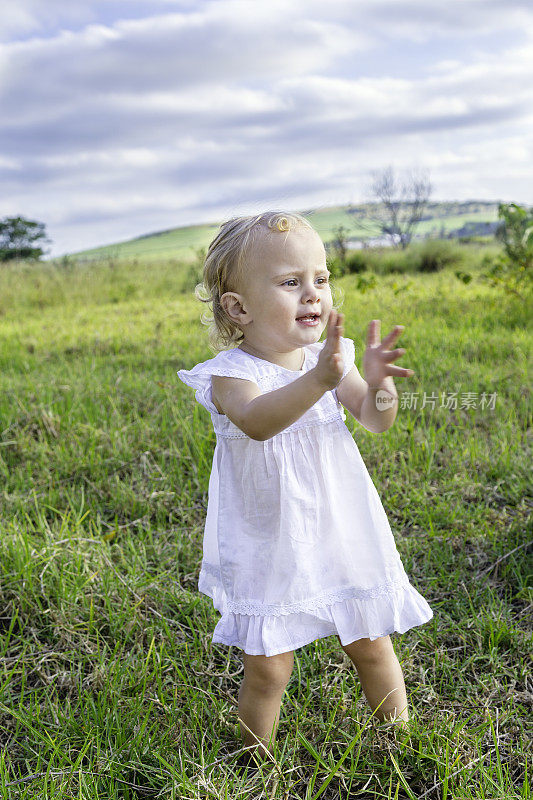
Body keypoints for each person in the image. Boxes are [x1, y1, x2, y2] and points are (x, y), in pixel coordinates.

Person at [177, 210, 433, 762]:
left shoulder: (326, 361)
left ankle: (399, 741)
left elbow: (374, 418)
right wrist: (319, 379)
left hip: (338, 526)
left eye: (320, 277)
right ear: (238, 308)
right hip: (270, 538)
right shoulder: (230, 374)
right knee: (270, 665)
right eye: (291, 282)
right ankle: (253, 759)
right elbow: (258, 421)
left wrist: (380, 381)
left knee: (370, 639)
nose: (313, 293)